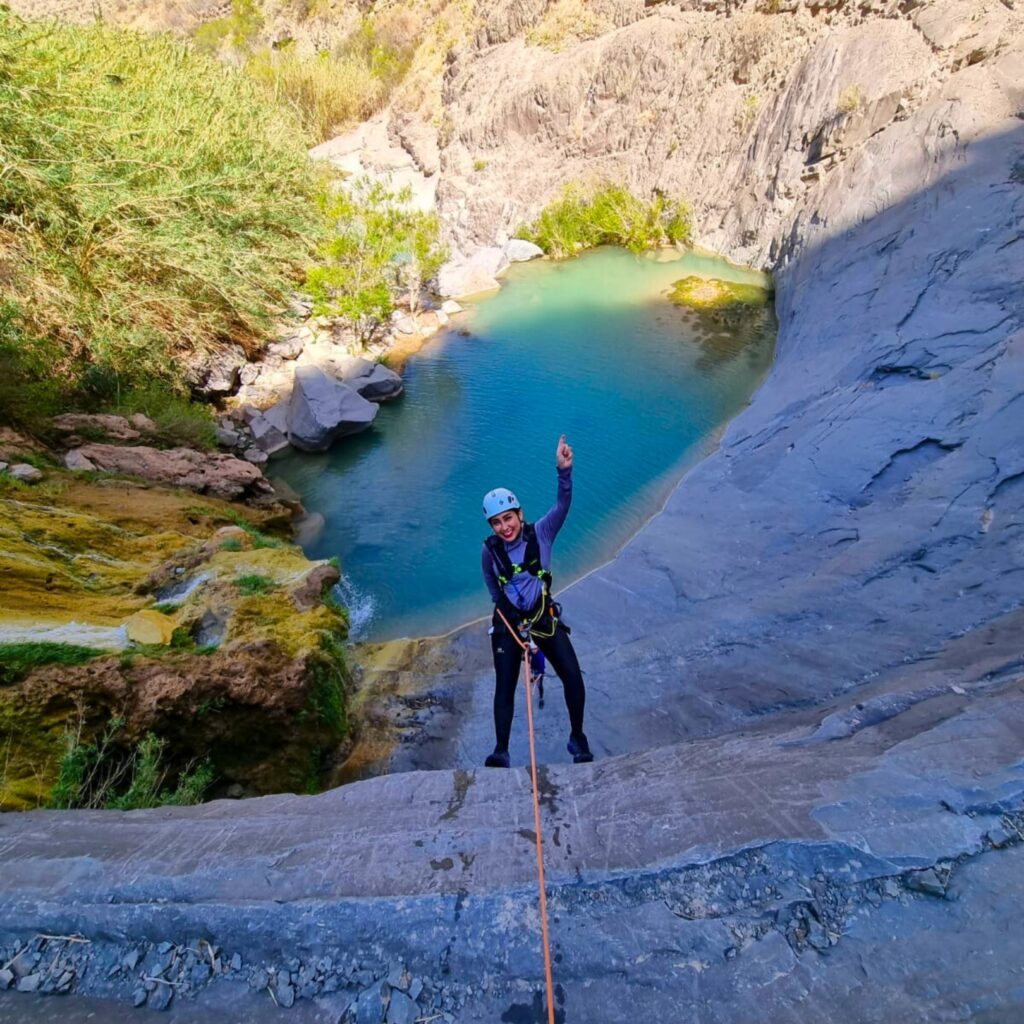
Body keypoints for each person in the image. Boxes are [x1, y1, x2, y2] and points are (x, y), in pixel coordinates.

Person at [480, 434, 593, 768]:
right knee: (504, 686)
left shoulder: (541, 533)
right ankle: (501, 749)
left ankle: (578, 737)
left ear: (520, 514)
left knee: (573, 676)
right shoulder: (489, 552)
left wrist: (564, 471)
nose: (504, 527)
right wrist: (512, 622)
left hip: (542, 616)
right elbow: (493, 588)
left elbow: (562, 505)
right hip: (510, 621)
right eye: (497, 522)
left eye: (508, 518)